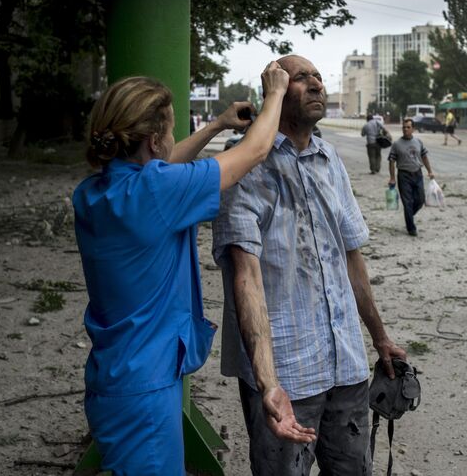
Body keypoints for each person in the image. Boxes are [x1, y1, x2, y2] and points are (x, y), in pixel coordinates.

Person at [72, 63, 290, 476]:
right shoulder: (156, 192)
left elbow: (164, 167)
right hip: (146, 391)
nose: (173, 140)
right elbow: (254, 152)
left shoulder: (94, 194)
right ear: (154, 141)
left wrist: (217, 126)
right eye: (171, 131)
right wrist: (275, 94)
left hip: (115, 377)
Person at [212, 55, 406, 475]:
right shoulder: (242, 165)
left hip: (346, 366)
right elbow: (245, 277)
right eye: (302, 78)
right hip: (286, 376)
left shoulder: (330, 159)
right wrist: (268, 384)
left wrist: (380, 338)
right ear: (277, 92)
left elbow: (351, 257)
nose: (318, 85)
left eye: (319, 76)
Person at [388, 118, 435, 236]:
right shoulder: (397, 144)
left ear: (413, 129)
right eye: (404, 127)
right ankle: (411, 228)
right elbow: (391, 161)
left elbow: (424, 157)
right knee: (407, 203)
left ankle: (409, 215)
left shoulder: (418, 142)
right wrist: (392, 177)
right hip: (404, 176)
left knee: (420, 200)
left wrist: (430, 171)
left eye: (408, 127)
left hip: (417, 174)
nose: (405, 129)